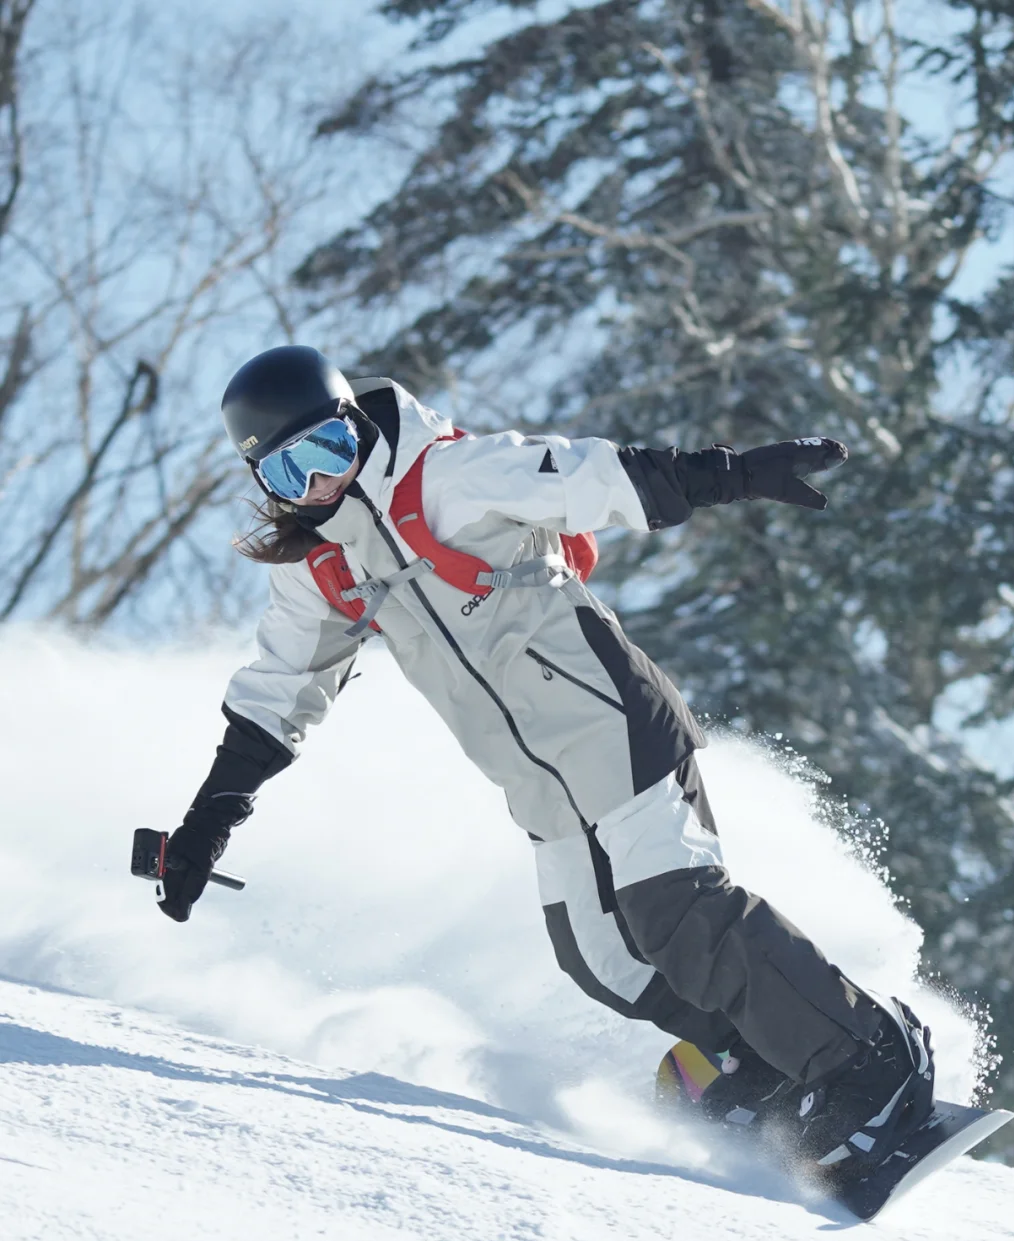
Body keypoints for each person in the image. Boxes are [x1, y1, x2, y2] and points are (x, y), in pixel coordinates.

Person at [158, 344, 934, 1177]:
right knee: (604, 960)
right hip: (543, 787)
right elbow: (276, 697)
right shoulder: (324, 570)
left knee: (677, 913)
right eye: (288, 472)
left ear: (355, 427)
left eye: (330, 450)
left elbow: (600, 477)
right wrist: (205, 826)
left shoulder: (453, 476)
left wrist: (739, 473)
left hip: (616, 725)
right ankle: (769, 1057)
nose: (318, 484)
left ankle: (870, 1057)